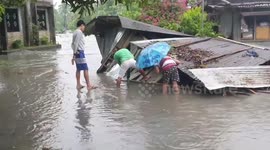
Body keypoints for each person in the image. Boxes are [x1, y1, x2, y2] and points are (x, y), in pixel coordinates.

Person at [71, 20, 96, 90]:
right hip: (80, 53)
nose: (84, 28)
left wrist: (74, 54)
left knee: (78, 69)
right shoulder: (79, 32)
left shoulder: (75, 32)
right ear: (82, 25)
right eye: (84, 26)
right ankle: (88, 85)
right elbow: (76, 43)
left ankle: (78, 84)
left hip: (77, 52)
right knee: (85, 69)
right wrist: (75, 54)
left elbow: (72, 44)